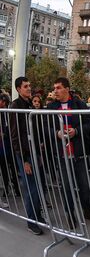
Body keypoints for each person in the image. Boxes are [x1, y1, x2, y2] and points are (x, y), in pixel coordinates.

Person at [47, 77, 90, 228]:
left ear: (67, 89)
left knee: (84, 185)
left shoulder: (79, 104)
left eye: (58, 87)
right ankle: (70, 215)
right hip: (61, 154)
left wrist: (76, 131)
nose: (55, 91)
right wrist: (56, 133)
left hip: (79, 152)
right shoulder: (51, 107)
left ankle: (86, 210)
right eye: (54, 88)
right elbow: (45, 127)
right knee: (66, 187)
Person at [10, 77, 44, 235]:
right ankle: (32, 221)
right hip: (24, 154)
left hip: (34, 152)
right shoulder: (15, 106)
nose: (29, 88)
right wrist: (23, 160)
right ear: (18, 89)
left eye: (30, 85)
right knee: (31, 188)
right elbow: (15, 135)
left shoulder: (31, 104)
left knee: (37, 187)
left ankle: (38, 216)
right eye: (25, 86)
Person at [0, 93, 19, 207]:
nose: (2, 103)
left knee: (9, 166)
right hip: (3, 145)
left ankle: (14, 188)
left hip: (7, 145)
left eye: (4, 102)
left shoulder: (7, 113)